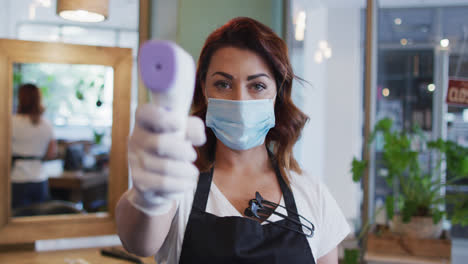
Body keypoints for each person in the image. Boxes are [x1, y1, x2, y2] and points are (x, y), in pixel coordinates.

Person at [116, 17, 349, 264]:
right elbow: (138, 243)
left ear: (277, 96)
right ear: (204, 91)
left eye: (257, 86)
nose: (240, 100)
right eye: (223, 84)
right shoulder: (177, 183)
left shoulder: (312, 193)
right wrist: (147, 198)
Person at [11, 83, 57, 209]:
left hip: (17, 178)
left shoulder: (11, 122)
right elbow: (51, 153)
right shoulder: (46, 124)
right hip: (40, 179)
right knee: (38, 220)